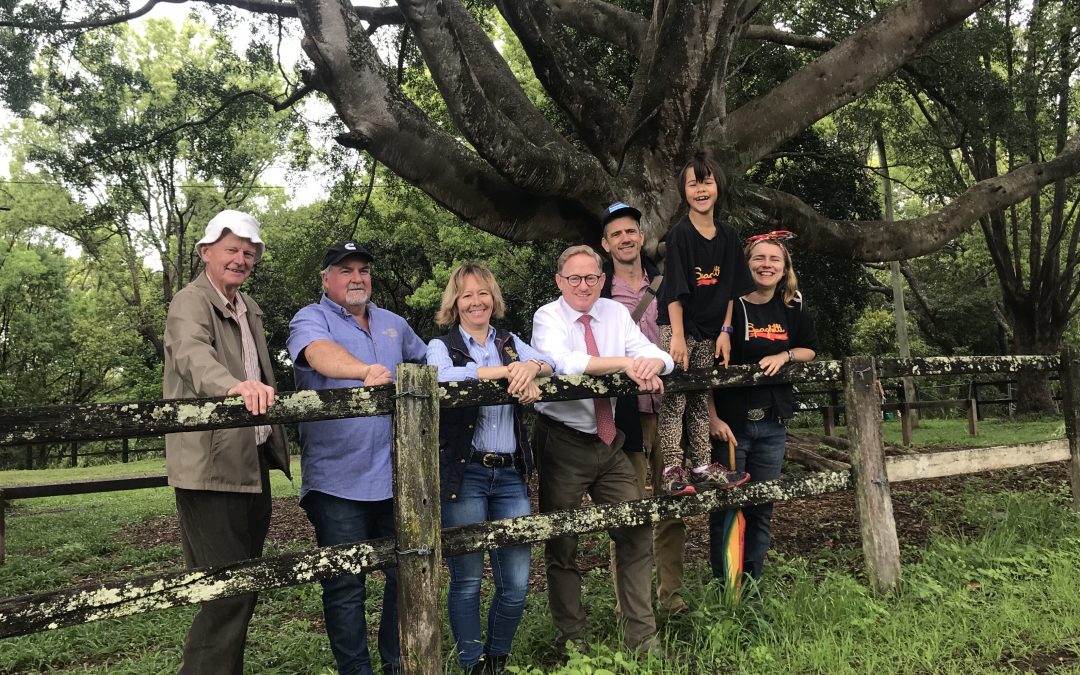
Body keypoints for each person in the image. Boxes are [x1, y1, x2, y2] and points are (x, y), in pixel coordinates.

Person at [287, 241, 427, 675]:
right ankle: (355, 671)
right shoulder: (311, 318)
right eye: (345, 270)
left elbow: (427, 362)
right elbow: (317, 355)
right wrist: (364, 371)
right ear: (326, 279)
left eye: (363, 270)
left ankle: (395, 663)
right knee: (345, 583)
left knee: (404, 573)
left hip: (396, 477)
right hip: (337, 481)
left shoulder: (394, 324)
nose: (356, 278)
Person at [163, 209, 291, 675]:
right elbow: (191, 355)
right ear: (206, 253)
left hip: (251, 460)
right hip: (210, 465)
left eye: (248, 253)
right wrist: (232, 385)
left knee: (244, 585)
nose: (241, 260)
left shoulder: (247, 307)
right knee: (226, 592)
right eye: (232, 250)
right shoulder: (190, 301)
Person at [531, 245, 675, 656]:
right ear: (560, 282)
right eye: (573, 278)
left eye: (592, 278)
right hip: (562, 440)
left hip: (609, 443)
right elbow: (564, 362)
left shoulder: (613, 313)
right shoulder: (548, 316)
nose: (583, 286)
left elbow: (656, 354)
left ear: (602, 279)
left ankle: (642, 638)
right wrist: (624, 364)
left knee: (634, 529)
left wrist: (651, 365)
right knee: (563, 542)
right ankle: (572, 641)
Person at [427, 263, 555, 674]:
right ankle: (471, 664)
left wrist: (531, 368)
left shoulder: (512, 341)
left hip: (511, 474)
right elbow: (444, 378)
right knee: (466, 580)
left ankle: (497, 659)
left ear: (493, 299)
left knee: (516, 582)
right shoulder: (441, 345)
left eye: (483, 293)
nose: (476, 301)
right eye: (467, 295)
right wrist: (507, 372)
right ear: (454, 303)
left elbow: (551, 363)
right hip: (466, 477)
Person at [707, 231, 819, 583]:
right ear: (746, 263)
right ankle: (726, 585)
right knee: (728, 508)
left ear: (785, 268)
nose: (766, 265)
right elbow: (706, 368)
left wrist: (784, 355)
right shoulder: (729, 306)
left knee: (762, 506)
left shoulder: (793, 306)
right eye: (759, 258)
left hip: (773, 423)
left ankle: (752, 583)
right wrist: (711, 417)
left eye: (774, 259)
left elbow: (809, 349)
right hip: (731, 426)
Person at [598, 201, 688, 615]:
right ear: (606, 243)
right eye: (616, 233)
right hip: (626, 413)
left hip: (669, 408)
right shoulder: (598, 295)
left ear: (642, 235)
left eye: (631, 230)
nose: (625, 238)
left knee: (671, 500)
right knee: (629, 507)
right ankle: (629, 604)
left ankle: (671, 595)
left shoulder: (668, 285)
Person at [657, 150, 755, 496]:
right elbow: (673, 291)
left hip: (712, 329)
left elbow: (730, 289)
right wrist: (678, 336)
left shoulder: (729, 236)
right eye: (693, 183)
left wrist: (726, 331)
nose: (701, 189)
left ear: (718, 186)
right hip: (678, 325)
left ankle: (701, 465)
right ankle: (671, 468)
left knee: (700, 395)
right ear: (684, 191)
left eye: (707, 182)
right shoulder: (680, 235)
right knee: (676, 396)